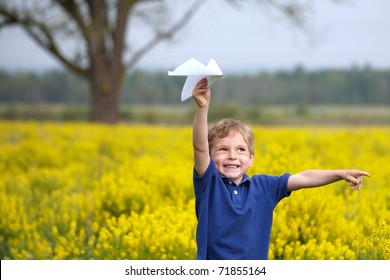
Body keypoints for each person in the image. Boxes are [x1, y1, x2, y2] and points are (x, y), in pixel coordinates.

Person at [191, 78, 370, 260]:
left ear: (251, 158)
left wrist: (340, 173)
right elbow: (199, 147)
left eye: (241, 150)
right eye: (223, 149)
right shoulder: (208, 184)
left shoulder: (265, 187)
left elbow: (303, 178)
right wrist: (202, 109)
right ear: (211, 156)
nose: (232, 156)